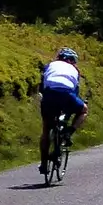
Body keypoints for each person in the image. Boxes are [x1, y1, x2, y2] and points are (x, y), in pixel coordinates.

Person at [39, 47, 88, 175]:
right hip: (67, 95)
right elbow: (75, 91)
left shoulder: (50, 65)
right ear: (73, 61)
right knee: (83, 110)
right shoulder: (75, 70)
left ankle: (44, 164)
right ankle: (68, 133)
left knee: (46, 129)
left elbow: (42, 85)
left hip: (49, 95)